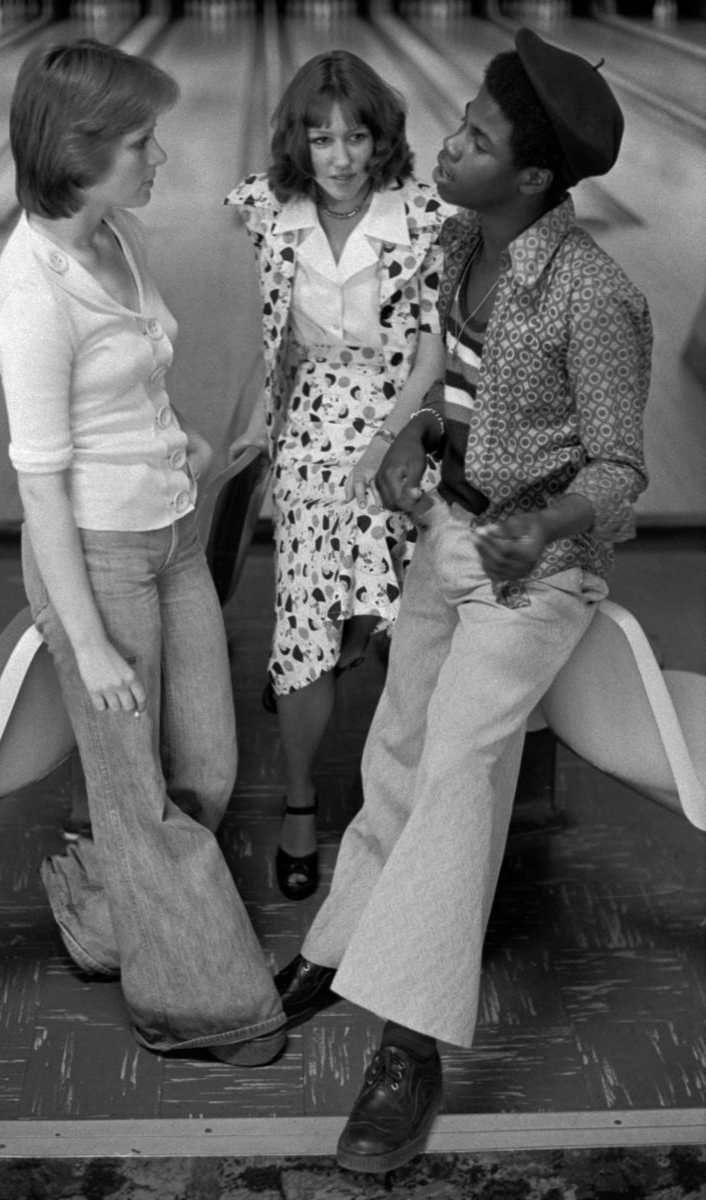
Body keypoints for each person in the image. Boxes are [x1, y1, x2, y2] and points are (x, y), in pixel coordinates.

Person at [272, 28, 651, 1173]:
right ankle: (345, 945)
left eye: (477, 140)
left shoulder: (595, 294)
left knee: (455, 769)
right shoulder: (457, 243)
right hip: (452, 529)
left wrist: (545, 524)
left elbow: (622, 470)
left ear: (533, 179)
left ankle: (412, 1042)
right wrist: (413, 433)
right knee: (397, 738)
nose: (449, 146)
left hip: (537, 572)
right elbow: (453, 370)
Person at [0, 39, 285, 1065]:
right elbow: (39, 484)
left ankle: (109, 920)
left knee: (203, 763)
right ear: (80, 152)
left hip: (168, 536)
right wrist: (89, 640)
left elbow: (133, 378)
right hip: (97, 559)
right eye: (142, 141)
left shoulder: (113, 237)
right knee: (137, 793)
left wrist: (186, 441)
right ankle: (204, 1009)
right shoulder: (33, 295)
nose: (163, 156)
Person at [225, 50, 452, 901]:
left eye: (356, 135)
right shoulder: (270, 213)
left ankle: (406, 793)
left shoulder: (425, 216)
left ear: (381, 137)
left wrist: (386, 441)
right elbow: (276, 338)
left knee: (392, 604)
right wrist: (256, 422)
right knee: (307, 618)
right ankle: (299, 797)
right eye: (321, 138)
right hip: (312, 419)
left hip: (401, 413)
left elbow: (432, 350)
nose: (341, 155)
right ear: (299, 141)